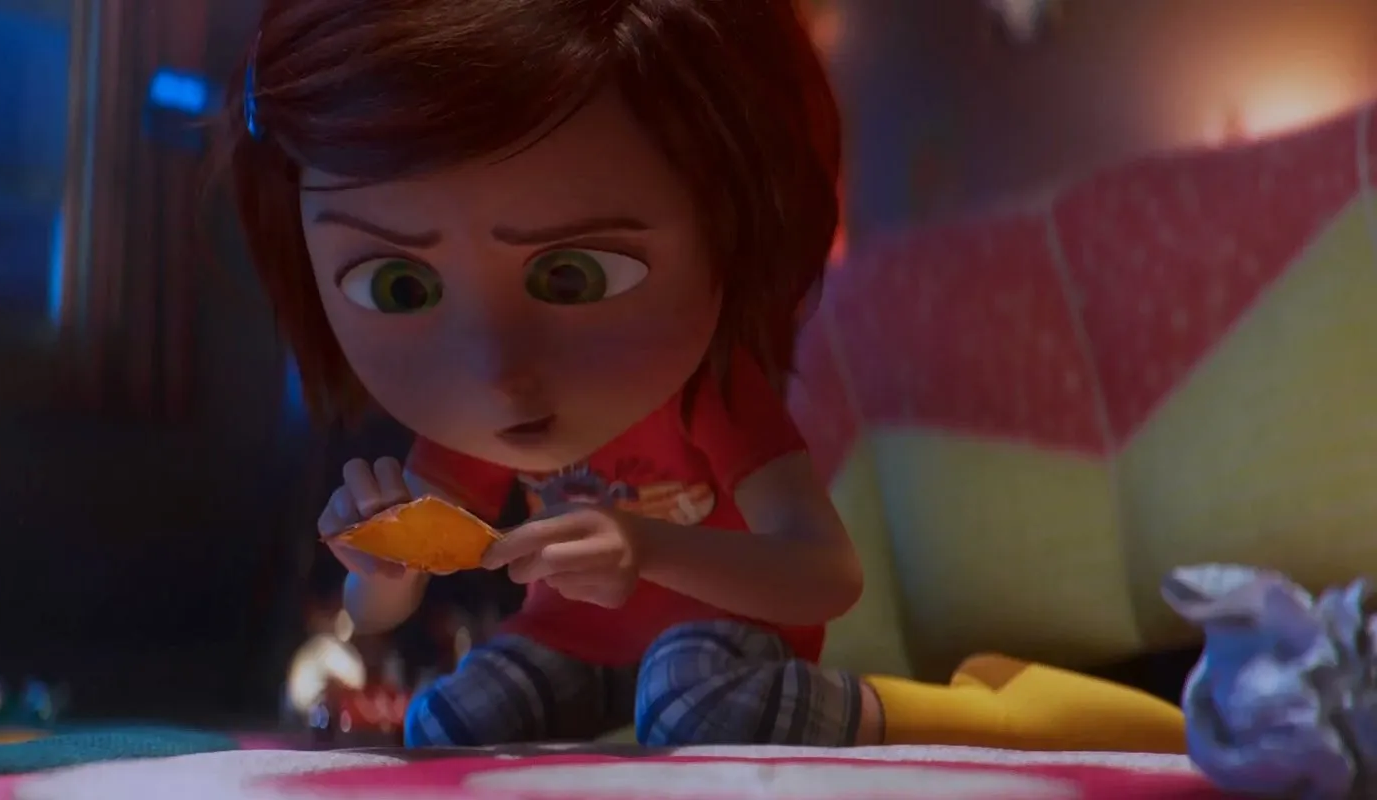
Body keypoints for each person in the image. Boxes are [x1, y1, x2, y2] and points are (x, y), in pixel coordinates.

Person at [224, 0, 1187, 751]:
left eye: (574, 276)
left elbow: (824, 574)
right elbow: (386, 607)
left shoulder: (707, 401)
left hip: (718, 643)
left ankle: (939, 712)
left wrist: (645, 548)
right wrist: (380, 567)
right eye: (400, 285)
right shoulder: (471, 432)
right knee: (445, 724)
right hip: (567, 646)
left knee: (691, 700)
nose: (499, 370)